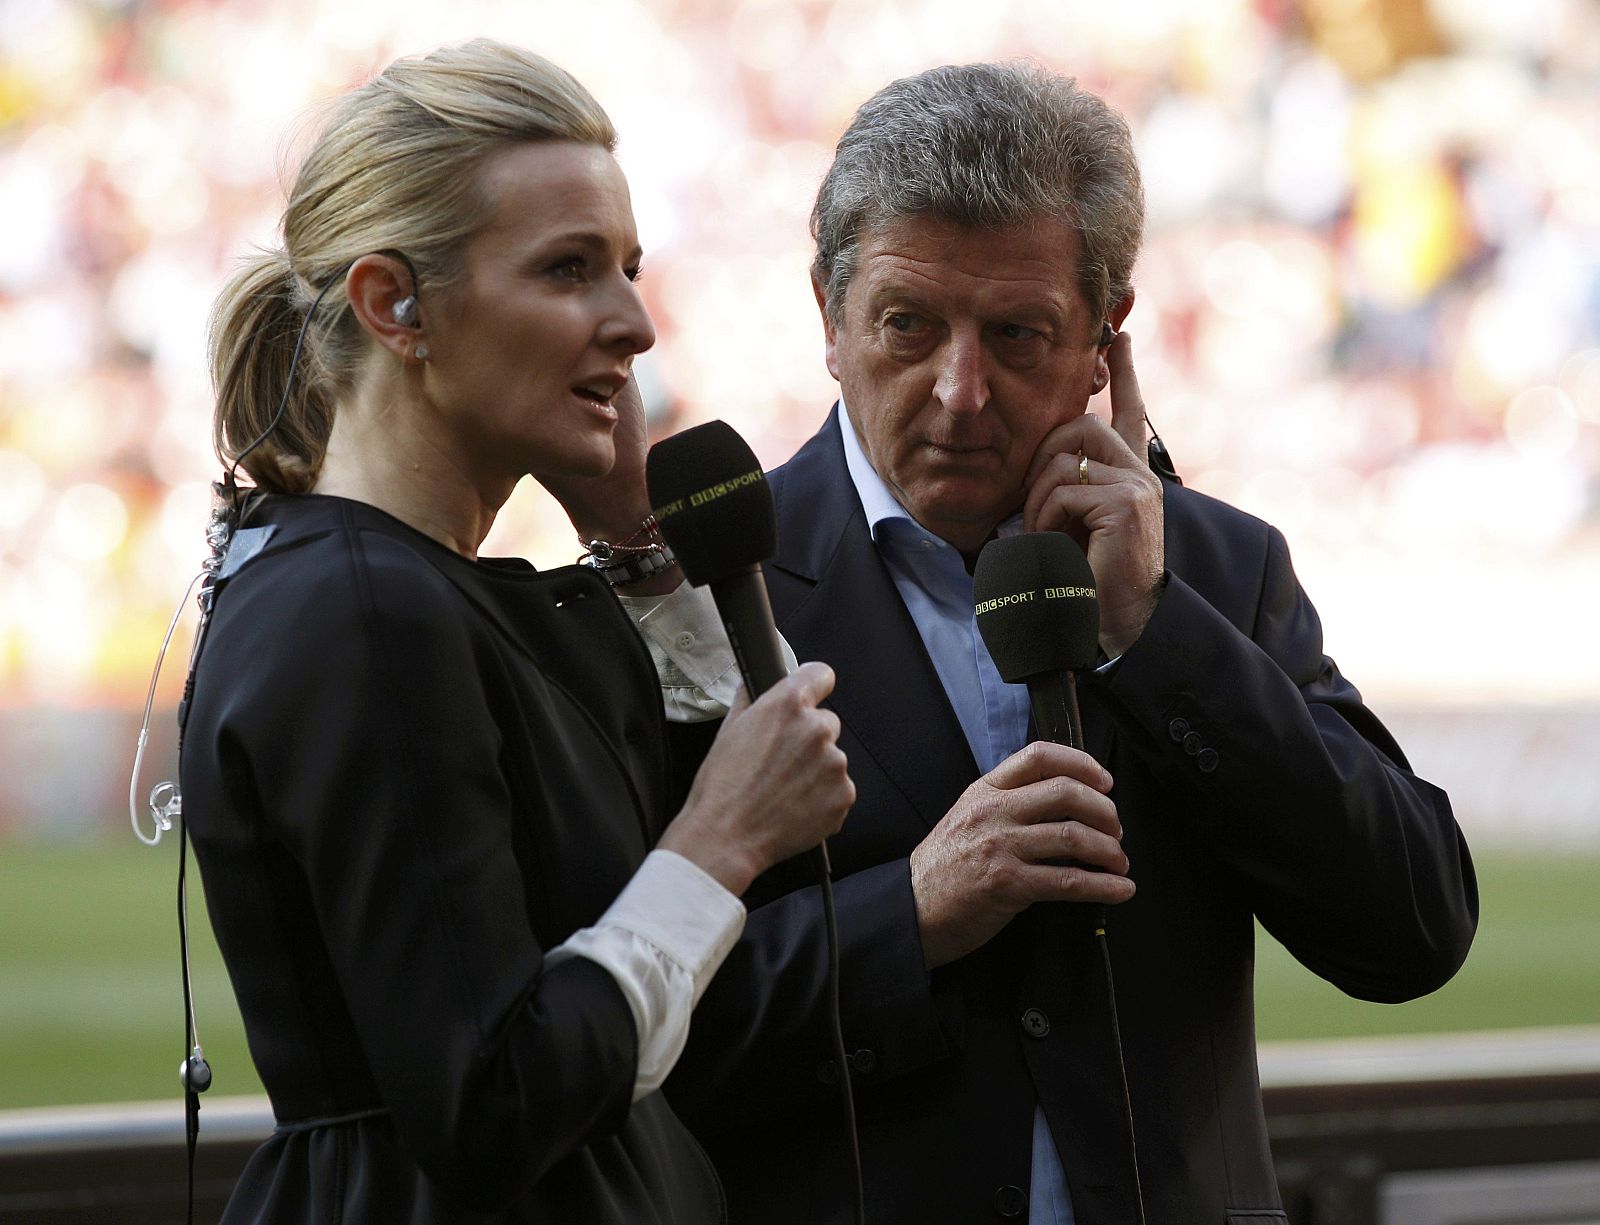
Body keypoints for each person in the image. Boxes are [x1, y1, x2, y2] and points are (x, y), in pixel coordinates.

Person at [579, 63, 1477, 1224]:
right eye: (908, 326)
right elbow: (618, 1034)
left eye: (1016, 334)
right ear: (829, 318)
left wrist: (1150, 629)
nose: (959, 391)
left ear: (1105, 339)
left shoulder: (1213, 567)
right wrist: (909, 914)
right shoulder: (690, 589)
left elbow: (1410, 929)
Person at [178, 39, 854, 1224]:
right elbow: (492, 1099)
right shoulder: (363, 610)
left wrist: (642, 550)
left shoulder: (429, 592)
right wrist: (715, 843)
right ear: (396, 306)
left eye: (628, 268)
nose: (636, 323)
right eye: (568, 269)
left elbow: (741, 929)